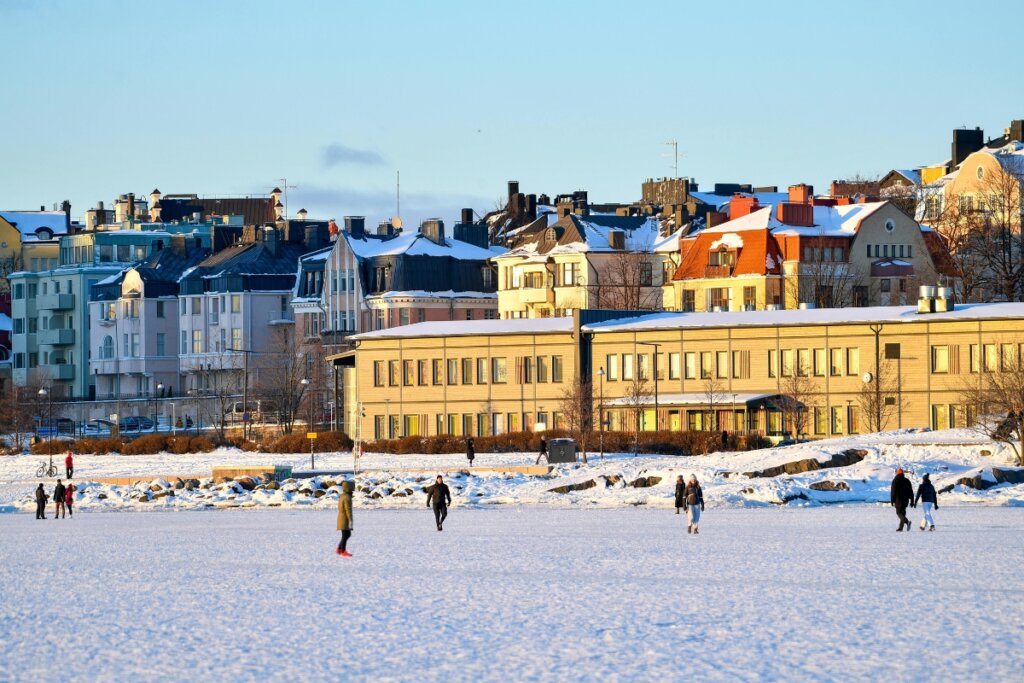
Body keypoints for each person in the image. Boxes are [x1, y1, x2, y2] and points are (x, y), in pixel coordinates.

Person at [336, 480, 353, 557]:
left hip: (341, 517)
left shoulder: (343, 495)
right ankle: (342, 550)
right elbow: (348, 509)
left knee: (346, 534)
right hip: (344, 518)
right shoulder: (347, 497)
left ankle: (339, 549)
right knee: (346, 534)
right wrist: (350, 520)